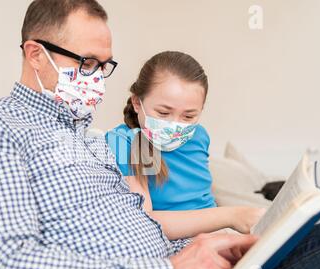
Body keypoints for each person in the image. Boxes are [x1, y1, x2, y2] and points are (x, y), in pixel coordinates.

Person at [0, 0, 320, 269]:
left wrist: (204, 246)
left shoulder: (92, 141)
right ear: (35, 54)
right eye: (86, 62)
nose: (97, 79)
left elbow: (144, 226)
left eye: (104, 65)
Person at [106, 51, 265, 239]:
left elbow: (201, 198)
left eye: (188, 116)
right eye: (164, 113)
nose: (175, 125)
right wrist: (232, 216)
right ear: (137, 103)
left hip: (220, 235)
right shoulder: (127, 141)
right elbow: (144, 222)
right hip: (183, 246)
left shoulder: (199, 136)